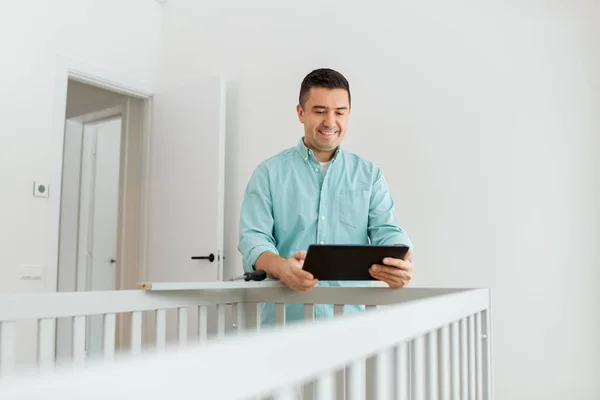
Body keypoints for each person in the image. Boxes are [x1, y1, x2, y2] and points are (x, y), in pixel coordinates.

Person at [238, 68, 413, 326]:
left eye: (340, 112)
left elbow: (387, 230)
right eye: (319, 111)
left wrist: (401, 259)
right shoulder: (268, 173)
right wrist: (283, 269)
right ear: (301, 113)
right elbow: (253, 239)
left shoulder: (370, 175)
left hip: (350, 326)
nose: (330, 122)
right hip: (283, 324)